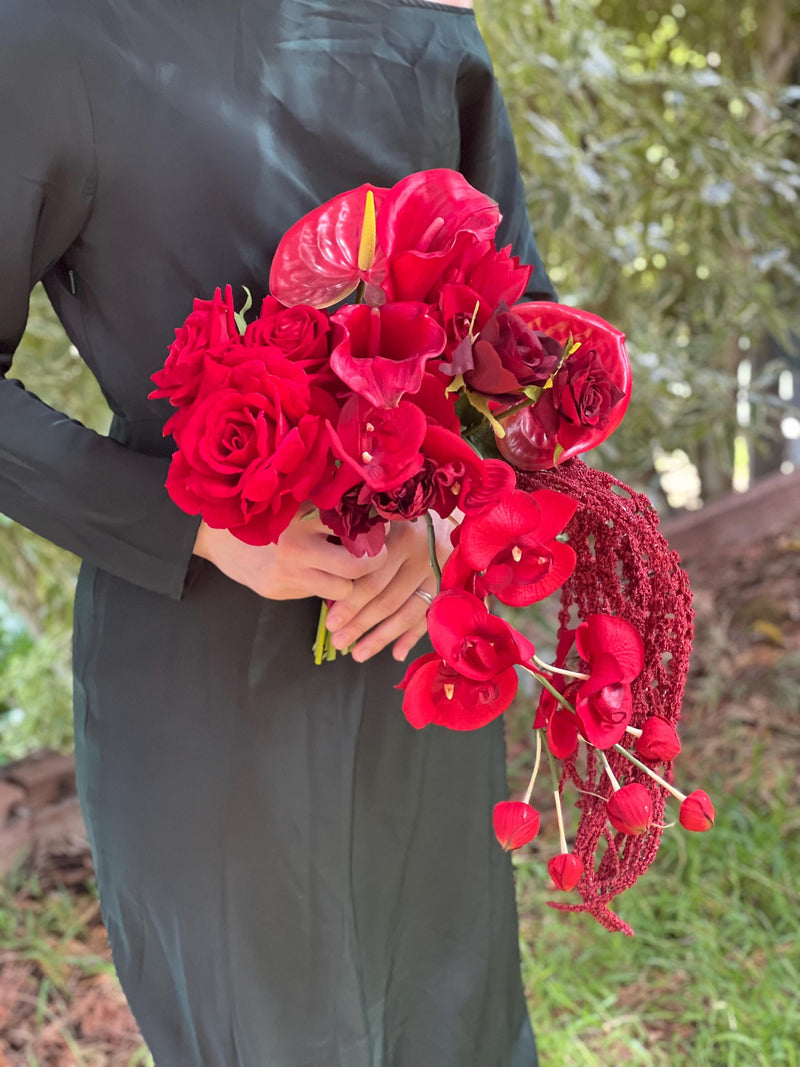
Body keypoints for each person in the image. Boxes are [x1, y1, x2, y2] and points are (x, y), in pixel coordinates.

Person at [0, 0, 556, 1063]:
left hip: (413, 635)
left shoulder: (422, 21)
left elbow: (522, 328)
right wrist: (195, 524)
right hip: (204, 656)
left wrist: (448, 516)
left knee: (453, 1019)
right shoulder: (53, 33)